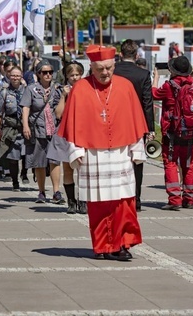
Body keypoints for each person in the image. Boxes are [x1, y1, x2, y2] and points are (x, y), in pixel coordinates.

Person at [58, 45, 147, 261]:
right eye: (100, 69)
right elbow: (73, 124)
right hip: (93, 156)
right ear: (92, 67)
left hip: (120, 154)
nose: (105, 73)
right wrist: (76, 150)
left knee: (123, 203)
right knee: (98, 205)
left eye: (108, 68)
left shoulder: (125, 87)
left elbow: (134, 120)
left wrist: (137, 150)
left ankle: (122, 244)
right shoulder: (80, 89)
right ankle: (102, 246)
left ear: (114, 64)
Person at [152, 55, 193, 211]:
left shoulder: (169, 86)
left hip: (172, 132)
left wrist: (155, 78)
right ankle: (189, 199)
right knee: (188, 165)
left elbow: (153, 94)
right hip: (190, 131)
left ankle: (174, 199)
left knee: (171, 163)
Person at [112, 39, 155, 212]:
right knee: (137, 160)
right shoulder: (143, 74)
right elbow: (148, 103)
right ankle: (136, 198)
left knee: (116, 159)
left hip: (115, 121)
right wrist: (150, 128)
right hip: (137, 123)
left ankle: (117, 195)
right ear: (136, 55)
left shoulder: (113, 72)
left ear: (120, 55)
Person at [21, 60, 64, 204]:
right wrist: (25, 125)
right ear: (38, 74)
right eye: (44, 72)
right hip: (37, 129)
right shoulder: (31, 89)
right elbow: (26, 107)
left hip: (54, 130)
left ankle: (56, 191)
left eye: (50, 72)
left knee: (55, 161)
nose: (48, 75)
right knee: (39, 162)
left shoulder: (57, 89)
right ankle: (41, 191)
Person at [50, 62, 85, 213]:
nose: (75, 78)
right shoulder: (60, 91)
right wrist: (64, 95)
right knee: (68, 168)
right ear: (67, 76)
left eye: (77, 75)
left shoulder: (87, 89)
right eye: (71, 75)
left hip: (82, 131)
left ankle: (83, 201)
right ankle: (71, 201)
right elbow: (58, 114)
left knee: (82, 169)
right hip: (66, 132)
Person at [0, 66, 26, 192]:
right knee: (13, 157)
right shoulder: (4, 92)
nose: (15, 78)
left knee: (26, 155)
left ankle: (24, 172)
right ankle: (15, 181)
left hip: (24, 126)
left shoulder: (27, 91)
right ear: (9, 76)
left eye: (17, 75)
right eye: (13, 75)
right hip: (11, 126)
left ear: (21, 76)